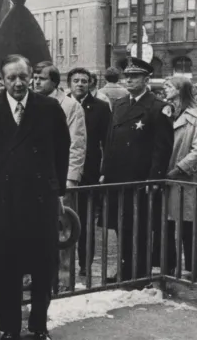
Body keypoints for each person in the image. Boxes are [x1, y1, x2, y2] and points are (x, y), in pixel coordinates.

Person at [0, 54, 70, 340]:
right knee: (7, 268)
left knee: (43, 266)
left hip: (39, 200)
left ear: (33, 78)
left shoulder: (49, 108)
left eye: (23, 77)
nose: (17, 83)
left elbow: (62, 150)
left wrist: (57, 190)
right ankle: (9, 329)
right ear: (1, 80)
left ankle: (39, 325)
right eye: (11, 78)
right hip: (2, 204)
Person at [101, 57, 174, 282]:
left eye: (135, 76)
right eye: (128, 76)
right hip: (118, 177)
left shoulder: (158, 108)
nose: (129, 80)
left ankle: (139, 273)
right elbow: (110, 140)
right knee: (121, 226)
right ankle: (124, 269)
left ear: (146, 79)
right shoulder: (121, 104)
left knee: (141, 227)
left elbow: (162, 148)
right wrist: (105, 170)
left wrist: (154, 178)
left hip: (141, 179)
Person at [163, 74, 197, 280]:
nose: (165, 89)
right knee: (167, 221)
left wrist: (179, 168)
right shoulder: (165, 112)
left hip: (185, 177)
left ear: (180, 89)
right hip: (165, 174)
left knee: (190, 220)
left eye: (169, 86)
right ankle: (168, 264)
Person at [67, 66, 111, 275]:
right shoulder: (62, 104)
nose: (80, 84)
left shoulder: (101, 108)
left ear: (90, 84)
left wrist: (104, 169)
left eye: (84, 81)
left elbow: (107, 141)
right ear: (70, 83)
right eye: (76, 81)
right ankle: (63, 265)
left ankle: (85, 264)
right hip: (64, 170)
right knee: (63, 218)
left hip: (90, 171)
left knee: (85, 221)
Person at [33, 61, 86, 188]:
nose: (37, 82)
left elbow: (77, 144)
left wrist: (72, 178)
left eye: (42, 79)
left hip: (58, 174)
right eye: (35, 78)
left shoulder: (70, 105)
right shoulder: (30, 103)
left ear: (54, 82)